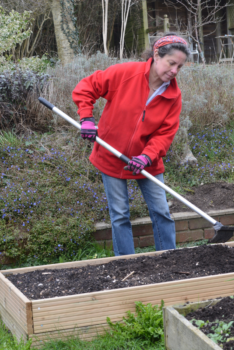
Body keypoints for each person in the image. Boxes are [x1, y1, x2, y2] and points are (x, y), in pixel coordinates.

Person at [72, 33, 190, 256]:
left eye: (179, 67)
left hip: (148, 163)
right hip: (111, 156)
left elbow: (165, 134)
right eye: (171, 63)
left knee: (162, 212)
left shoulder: (173, 95)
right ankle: (126, 263)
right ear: (157, 54)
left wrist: (147, 157)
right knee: (119, 215)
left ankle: (169, 260)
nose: (174, 71)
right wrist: (86, 118)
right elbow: (86, 87)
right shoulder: (125, 74)